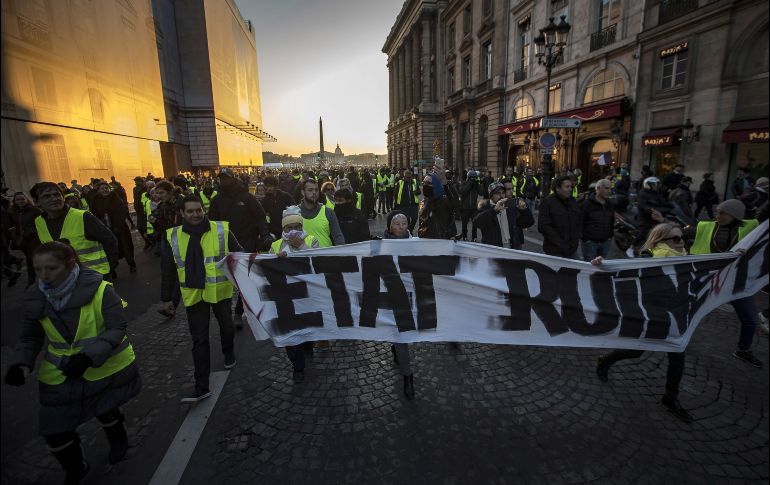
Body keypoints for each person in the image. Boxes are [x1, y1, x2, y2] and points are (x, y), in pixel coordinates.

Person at [4, 241, 141, 483]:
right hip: (60, 372)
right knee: (54, 431)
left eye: (51, 268)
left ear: (70, 264)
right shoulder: (35, 296)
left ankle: (118, 437)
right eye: (38, 269)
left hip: (101, 367)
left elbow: (117, 327)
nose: (44, 276)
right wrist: (21, 363)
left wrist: (89, 355)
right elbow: (30, 336)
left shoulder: (101, 290)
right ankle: (76, 466)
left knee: (106, 410)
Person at [593, 223, 692, 423]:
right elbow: (623, 270)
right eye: (675, 239)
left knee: (677, 355)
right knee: (636, 351)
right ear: (660, 241)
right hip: (652, 314)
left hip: (674, 316)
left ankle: (670, 397)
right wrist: (602, 263)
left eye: (682, 238)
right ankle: (605, 361)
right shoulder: (650, 257)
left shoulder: (686, 259)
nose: (681, 242)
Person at [161, 195, 241, 402]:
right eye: (190, 211)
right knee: (199, 340)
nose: (195, 214)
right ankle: (201, 385)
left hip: (219, 291)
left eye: (199, 210)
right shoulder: (172, 236)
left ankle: (228, 351)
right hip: (194, 294)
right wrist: (168, 299)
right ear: (182, 213)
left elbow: (238, 255)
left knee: (227, 327)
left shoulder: (221, 229)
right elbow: (169, 269)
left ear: (203, 210)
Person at [689, 199, 762, 368]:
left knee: (750, 319)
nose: (718, 216)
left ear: (735, 215)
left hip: (737, 280)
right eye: (717, 212)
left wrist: (747, 253)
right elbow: (689, 232)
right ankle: (676, 338)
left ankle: (744, 350)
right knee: (691, 310)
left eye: (722, 213)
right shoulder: (706, 226)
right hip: (710, 278)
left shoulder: (751, 227)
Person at [208, 168, 273, 329]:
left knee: (244, 281)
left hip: (247, 244)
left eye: (227, 178)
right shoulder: (216, 200)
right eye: (221, 178)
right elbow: (211, 223)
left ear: (233, 179)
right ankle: (226, 313)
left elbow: (260, 217)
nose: (224, 181)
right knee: (227, 281)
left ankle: (238, 313)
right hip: (224, 247)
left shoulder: (247, 197)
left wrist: (264, 235)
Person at [269, 206, 320, 383]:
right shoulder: (275, 245)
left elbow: (317, 265)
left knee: (306, 327)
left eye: (297, 227)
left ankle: (308, 344)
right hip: (287, 296)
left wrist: (302, 247)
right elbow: (267, 269)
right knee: (291, 333)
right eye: (288, 228)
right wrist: (276, 260)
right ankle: (297, 364)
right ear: (283, 229)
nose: (293, 231)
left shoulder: (312, 240)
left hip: (307, 295)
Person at [30, 182, 118, 282]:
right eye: (47, 196)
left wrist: (108, 270)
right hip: (63, 280)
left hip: (94, 277)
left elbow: (110, 240)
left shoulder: (83, 217)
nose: (54, 199)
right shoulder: (39, 222)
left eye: (57, 194)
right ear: (36, 202)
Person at [383, 210, 416, 399]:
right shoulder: (380, 245)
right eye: (397, 223)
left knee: (404, 333)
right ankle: (407, 376)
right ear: (389, 226)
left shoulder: (415, 244)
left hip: (411, 294)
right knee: (400, 334)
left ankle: (397, 350)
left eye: (404, 223)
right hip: (390, 295)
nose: (401, 226)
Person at [90, 181, 137, 274]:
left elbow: (122, 211)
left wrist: (117, 225)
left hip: (119, 228)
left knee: (125, 247)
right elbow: (94, 214)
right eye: (102, 188)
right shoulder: (96, 200)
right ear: (98, 190)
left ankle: (131, 264)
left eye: (106, 188)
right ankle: (112, 269)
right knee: (108, 250)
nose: (105, 190)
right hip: (105, 229)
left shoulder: (115, 197)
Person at [474, 182, 534, 249]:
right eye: (497, 193)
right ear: (491, 195)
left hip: (512, 246)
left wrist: (524, 210)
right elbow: (477, 223)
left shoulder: (510, 205)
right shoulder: (485, 206)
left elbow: (527, 223)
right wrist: (494, 210)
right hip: (493, 248)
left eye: (503, 193)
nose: (501, 196)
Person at [537, 175, 582, 258]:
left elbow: (578, 221)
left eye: (571, 186)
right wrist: (560, 243)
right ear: (558, 188)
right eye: (567, 187)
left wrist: (576, 238)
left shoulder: (572, 202)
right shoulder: (548, 202)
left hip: (572, 250)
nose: (570, 189)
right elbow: (543, 226)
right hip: (554, 251)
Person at [296, 178, 345, 247]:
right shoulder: (295, 212)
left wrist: (342, 254)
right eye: (310, 190)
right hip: (304, 256)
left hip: (326, 256)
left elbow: (338, 236)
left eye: (316, 190)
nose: (314, 192)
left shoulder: (328, 211)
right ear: (303, 192)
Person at [577, 178, 616, 261]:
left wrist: (610, 237)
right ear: (598, 188)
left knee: (602, 267)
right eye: (606, 188)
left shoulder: (610, 204)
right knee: (590, 268)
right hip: (591, 243)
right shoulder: (587, 204)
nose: (609, 191)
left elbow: (611, 221)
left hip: (606, 242)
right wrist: (585, 239)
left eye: (610, 188)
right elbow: (580, 222)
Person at [417, 166, 460, 240]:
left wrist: (446, 184)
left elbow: (455, 203)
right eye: (424, 183)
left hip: (442, 240)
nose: (425, 186)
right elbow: (422, 222)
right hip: (427, 241)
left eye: (428, 183)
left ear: (436, 185)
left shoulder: (444, 201)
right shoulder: (423, 202)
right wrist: (421, 234)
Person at [9, 191, 42, 286]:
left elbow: (41, 223)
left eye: (22, 199)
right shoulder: (12, 212)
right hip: (23, 241)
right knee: (31, 259)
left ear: (27, 199)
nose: (20, 201)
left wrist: (31, 231)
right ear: (14, 201)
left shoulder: (34, 210)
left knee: (31, 260)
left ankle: (32, 282)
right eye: (18, 199)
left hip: (34, 239)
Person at [458, 170, 482, 241]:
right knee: (464, 223)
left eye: (475, 178)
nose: (473, 179)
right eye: (472, 178)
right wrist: (469, 185)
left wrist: (477, 185)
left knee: (475, 223)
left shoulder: (476, 185)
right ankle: (464, 236)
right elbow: (462, 192)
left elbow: (481, 193)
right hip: (465, 207)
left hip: (474, 208)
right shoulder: (464, 184)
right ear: (468, 178)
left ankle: (474, 237)